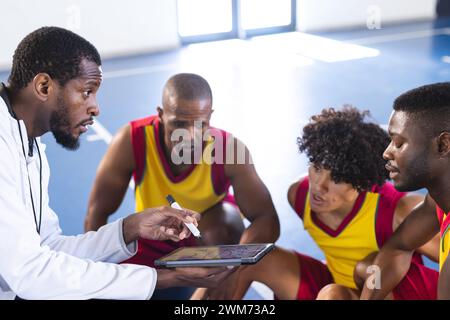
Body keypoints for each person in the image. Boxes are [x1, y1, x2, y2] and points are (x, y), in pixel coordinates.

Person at [0, 26, 234, 300]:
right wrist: (159, 278)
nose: (96, 107)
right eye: (87, 92)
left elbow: (49, 248)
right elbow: (31, 273)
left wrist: (131, 227)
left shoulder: (29, 143)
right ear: (44, 87)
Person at [192, 106, 440, 300]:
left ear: (363, 184)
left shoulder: (400, 210)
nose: (318, 187)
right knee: (249, 257)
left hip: (385, 293)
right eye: (317, 167)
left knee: (343, 286)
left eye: (337, 179)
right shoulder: (299, 195)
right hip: (332, 287)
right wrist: (228, 272)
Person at [84, 73, 280, 299]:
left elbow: (267, 218)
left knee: (226, 224)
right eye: (178, 124)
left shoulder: (228, 150)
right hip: (153, 238)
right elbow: (96, 214)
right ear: (160, 115)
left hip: (204, 245)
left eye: (200, 125)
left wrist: (236, 268)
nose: (189, 136)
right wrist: (96, 277)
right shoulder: (133, 139)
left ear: (210, 117)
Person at [360, 83, 450, 300]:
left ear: (443, 145)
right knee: (368, 268)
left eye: (399, 143)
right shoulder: (439, 201)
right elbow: (397, 247)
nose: (386, 153)